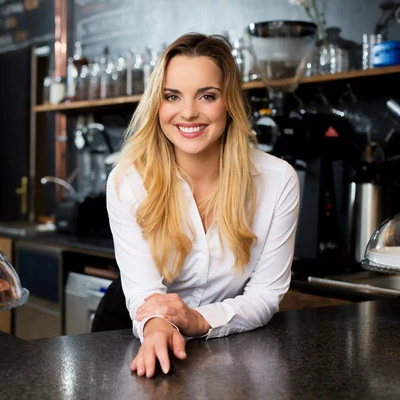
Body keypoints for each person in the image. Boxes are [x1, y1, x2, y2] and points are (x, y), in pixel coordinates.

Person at [106, 32, 300, 379]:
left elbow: (266, 294)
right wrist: (157, 324)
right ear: (157, 105)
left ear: (229, 104)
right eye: (172, 96)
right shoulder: (128, 181)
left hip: (226, 347)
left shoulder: (278, 180)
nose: (188, 113)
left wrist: (197, 321)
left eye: (207, 96)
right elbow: (144, 293)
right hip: (129, 331)